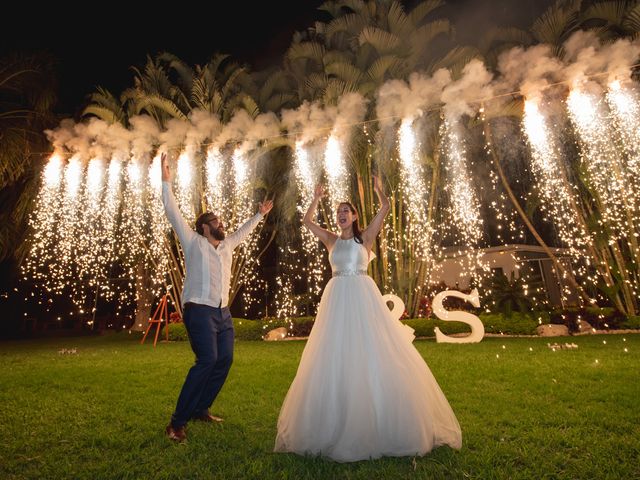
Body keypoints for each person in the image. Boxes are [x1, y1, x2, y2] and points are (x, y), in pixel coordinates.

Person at [274, 176, 462, 462]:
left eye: (345, 211)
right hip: (336, 299)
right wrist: (315, 199)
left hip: (362, 297)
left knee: (373, 350)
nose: (341, 215)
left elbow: (386, 207)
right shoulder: (331, 240)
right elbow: (307, 222)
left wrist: (379, 192)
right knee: (335, 353)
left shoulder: (366, 238)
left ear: (355, 216)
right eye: (338, 212)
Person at [160, 153, 273, 442]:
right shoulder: (193, 241)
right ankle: (176, 422)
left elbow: (244, 231)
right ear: (204, 226)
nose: (222, 223)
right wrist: (166, 181)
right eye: (217, 221)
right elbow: (172, 211)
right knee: (207, 359)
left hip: (222, 313)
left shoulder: (227, 245)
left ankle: (201, 408)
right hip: (198, 310)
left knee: (225, 360)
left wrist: (260, 215)